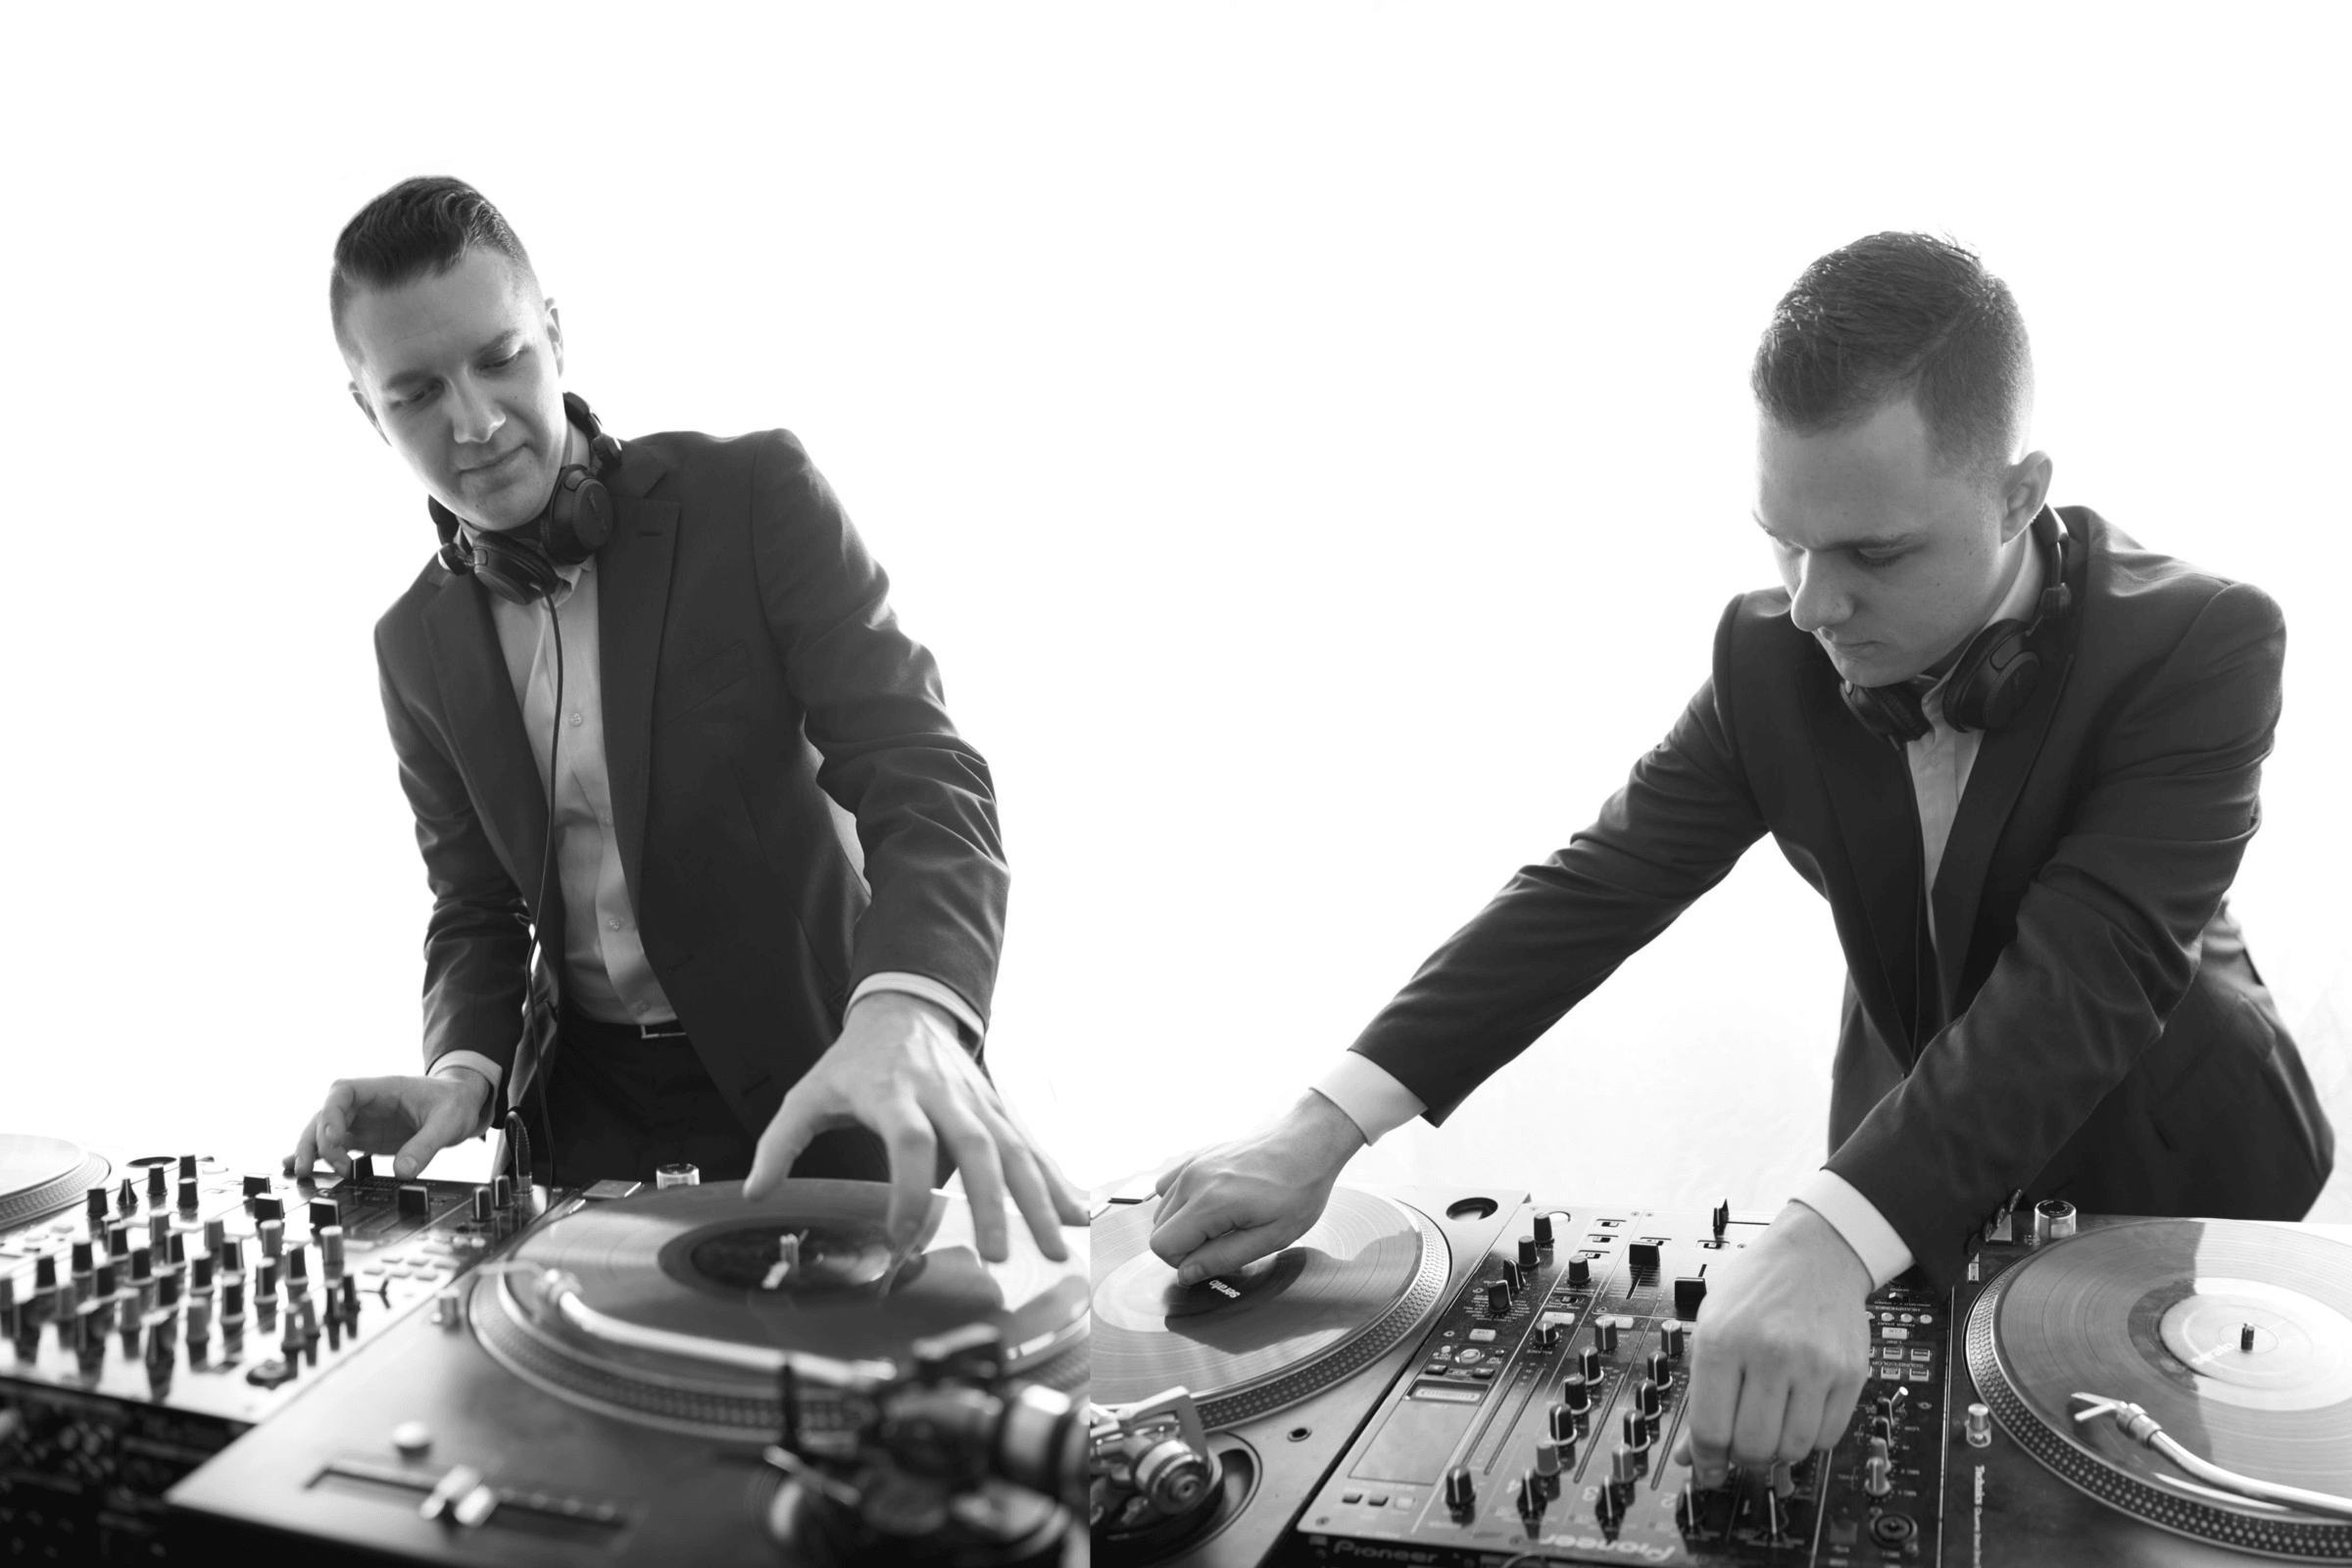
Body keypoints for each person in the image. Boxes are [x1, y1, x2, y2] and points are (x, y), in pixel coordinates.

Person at [1150, 232, 2332, 1482]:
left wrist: (1824, 1236)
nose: (1815, 604)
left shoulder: (2203, 641)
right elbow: (1596, 884)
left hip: (2167, 1167)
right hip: (1907, 1154)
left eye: (1875, 553)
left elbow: (2086, 977)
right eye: (1784, 540)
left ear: (2019, 490)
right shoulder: (1769, 658)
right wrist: (1319, 1129)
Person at [288, 176, 1080, 1262]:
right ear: (366, 408)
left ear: (555, 334)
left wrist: (907, 1008)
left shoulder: (755, 495)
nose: (472, 422)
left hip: (829, 1074)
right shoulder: (407, 642)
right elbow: (473, 904)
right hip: (583, 1119)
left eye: (500, 357)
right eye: (416, 392)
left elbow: (921, 772)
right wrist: (458, 1073)